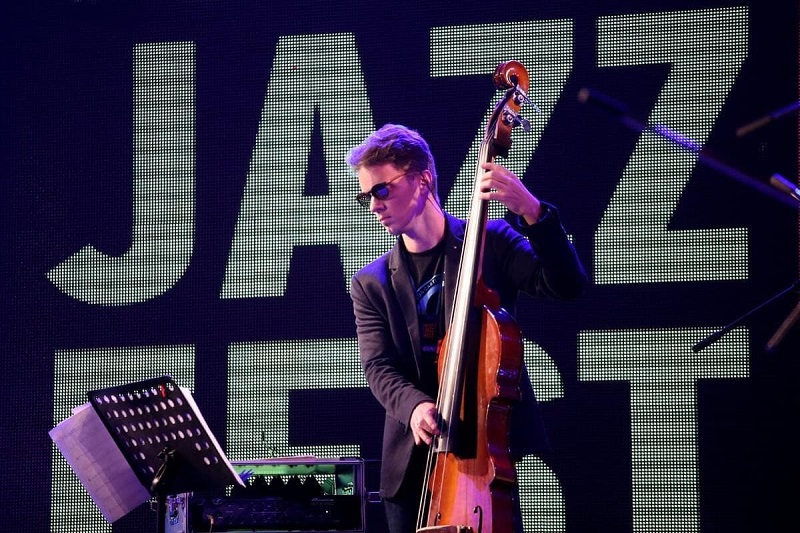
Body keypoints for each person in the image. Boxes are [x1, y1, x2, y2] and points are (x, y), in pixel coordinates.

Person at [348, 124, 587, 533]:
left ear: (423, 180)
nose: (374, 205)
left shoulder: (490, 241)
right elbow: (378, 366)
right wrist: (415, 407)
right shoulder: (371, 282)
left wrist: (533, 213)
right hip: (412, 465)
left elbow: (567, 285)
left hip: (482, 452)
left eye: (382, 190)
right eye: (365, 196)